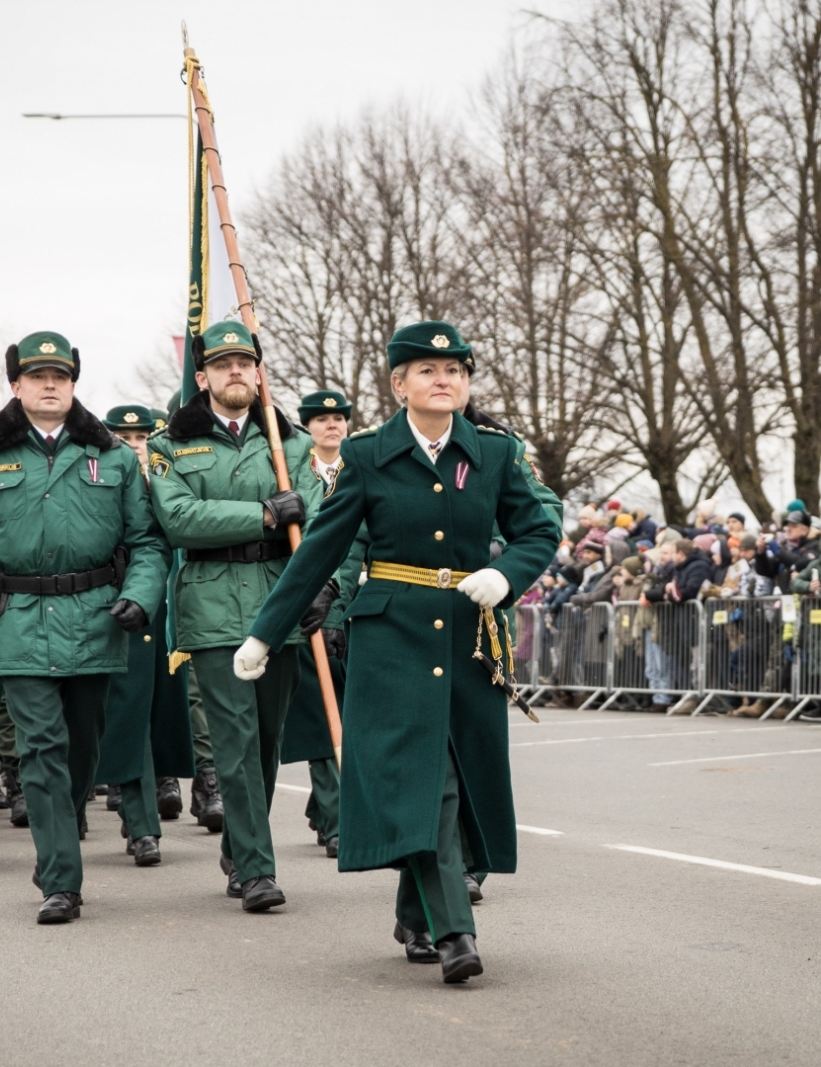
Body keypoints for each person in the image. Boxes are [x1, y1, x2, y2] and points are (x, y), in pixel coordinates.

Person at [237, 320, 560, 984]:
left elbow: (538, 527)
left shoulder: (495, 453)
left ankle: (415, 912)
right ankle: (454, 931)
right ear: (398, 383)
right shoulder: (366, 454)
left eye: (456, 371)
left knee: (457, 776)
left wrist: (509, 574)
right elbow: (320, 549)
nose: (445, 380)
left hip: (470, 635)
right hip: (392, 639)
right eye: (428, 370)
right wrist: (266, 631)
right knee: (427, 782)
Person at [0, 333, 168, 923]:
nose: (51, 385)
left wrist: (140, 596)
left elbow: (146, 542)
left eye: (61, 376)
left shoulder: (115, 458)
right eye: (38, 375)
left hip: (96, 620)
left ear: (74, 384)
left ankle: (59, 841)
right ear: (16, 385)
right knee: (41, 748)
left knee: (81, 751)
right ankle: (61, 880)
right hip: (16, 621)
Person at [147, 320, 323, 912]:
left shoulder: (290, 442)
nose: (236, 372)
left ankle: (242, 844)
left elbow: (317, 517)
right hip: (213, 604)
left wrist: (319, 587)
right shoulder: (171, 445)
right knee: (237, 742)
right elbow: (180, 519)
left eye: (245, 362)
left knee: (269, 740)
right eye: (223, 365)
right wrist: (265, 516)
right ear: (203, 377)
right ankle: (256, 869)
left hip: (280, 603)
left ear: (258, 372)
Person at [91, 403, 193, 867]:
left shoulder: (171, 482)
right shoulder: (98, 482)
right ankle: (139, 822)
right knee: (120, 718)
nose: (134, 445)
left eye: (142, 437)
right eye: (123, 436)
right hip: (116, 609)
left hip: (167, 612)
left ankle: (162, 798)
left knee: (163, 717)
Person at [283, 389, 360, 858]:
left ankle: (323, 807)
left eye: (338, 418)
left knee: (353, 719)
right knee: (322, 717)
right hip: (313, 606)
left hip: (355, 605)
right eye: (321, 419)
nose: (332, 426)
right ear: (306, 427)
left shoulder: (360, 468)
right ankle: (335, 820)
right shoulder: (293, 470)